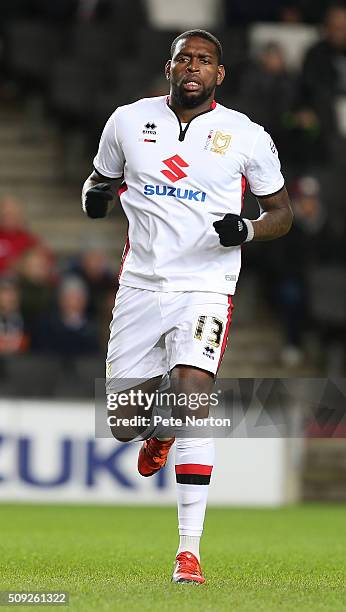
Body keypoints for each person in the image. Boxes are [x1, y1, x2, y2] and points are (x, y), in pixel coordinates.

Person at [81, 30, 292, 584]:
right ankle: (157, 430)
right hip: (140, 287)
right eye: (184, 58)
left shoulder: (246, 135)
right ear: (169, 67)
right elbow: (98, 184)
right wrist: (93, 197)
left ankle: (188, 554)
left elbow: (282, 213)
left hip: (205, 286)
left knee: (193, 397)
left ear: (219, 74)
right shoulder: (127, 121)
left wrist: (245, 227)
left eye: (204, 60)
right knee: (125, 425)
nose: (192, 67)